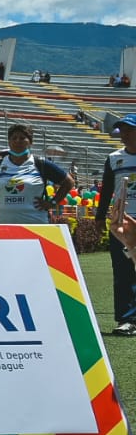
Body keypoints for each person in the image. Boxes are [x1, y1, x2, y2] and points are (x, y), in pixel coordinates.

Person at [0, 124, 71, 224]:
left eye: (22, 138)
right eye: (14, 138)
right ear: (9, 142)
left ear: (30, 142)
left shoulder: (41, 164)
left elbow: (69, 182)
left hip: (36, 226)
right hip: (3, 226)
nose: (17, 141)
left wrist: (52, 203)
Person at [94, 114, 136, 336]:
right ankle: (127, 319)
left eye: (130, 130)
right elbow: (107, 190)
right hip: (121, 225)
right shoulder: (113, 158)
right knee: (122, 272)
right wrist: (100, 218)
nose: (125, 134)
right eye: (122, 130)